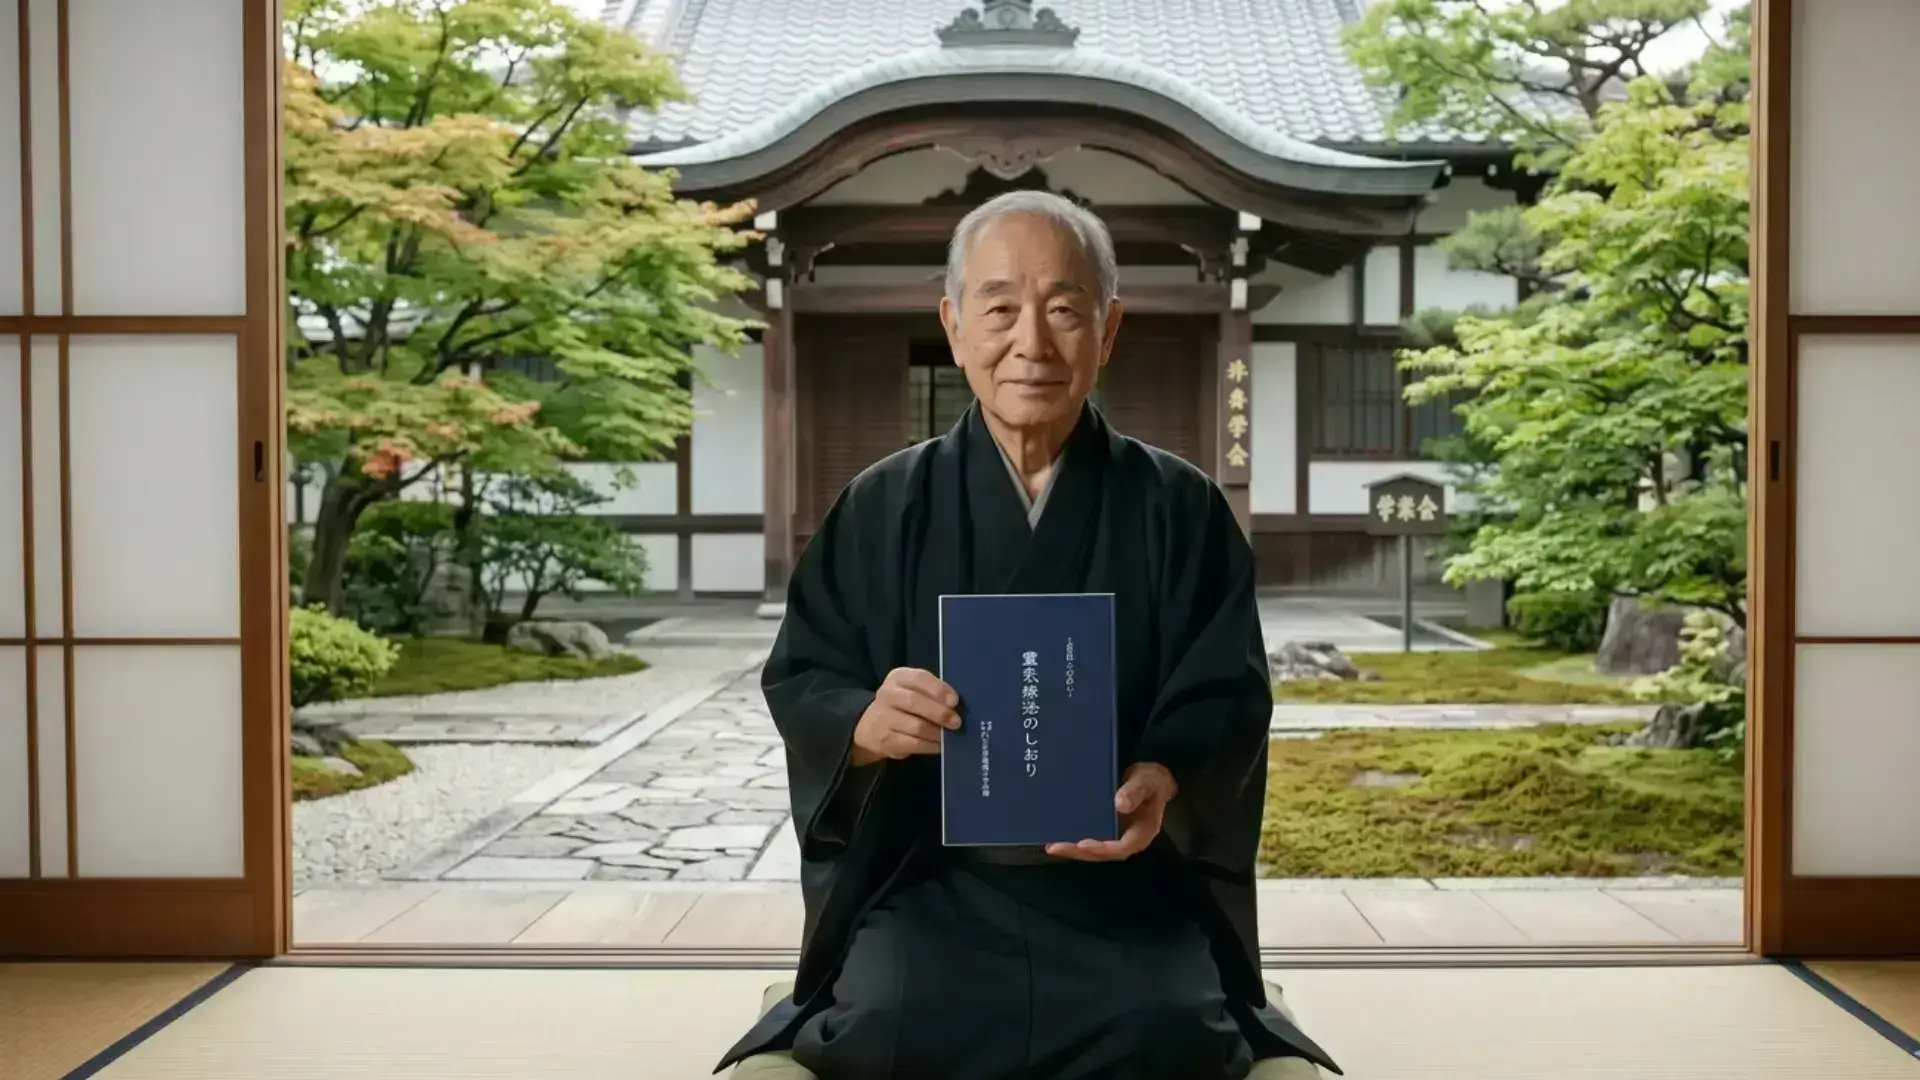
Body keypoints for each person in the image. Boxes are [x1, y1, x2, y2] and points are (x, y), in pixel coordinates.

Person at [715, 190, 1339, 1080]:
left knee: (1173, 1031)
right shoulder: (883, 505)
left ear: (1108, 329)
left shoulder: (1181, 508)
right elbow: (806, 674)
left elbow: (1227, 691)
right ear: (954, 325)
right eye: (1001, 308)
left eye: (1065, 311)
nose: (1032, 343)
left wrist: (1164, 775)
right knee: (884, 1027)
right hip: (931, 880)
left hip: (1126, 883)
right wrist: (862, 724)